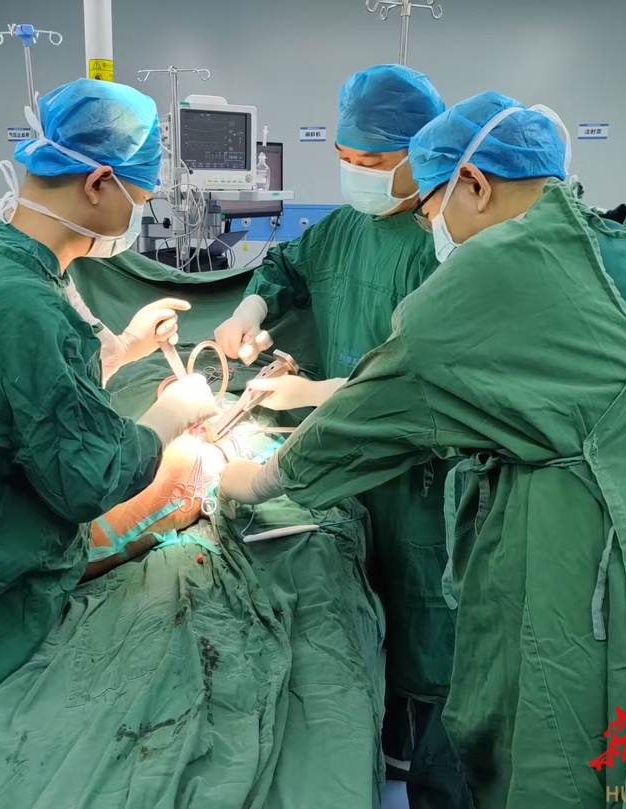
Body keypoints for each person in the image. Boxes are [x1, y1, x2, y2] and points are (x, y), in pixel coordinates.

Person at [218, 91, 626, 807]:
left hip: (606, 596)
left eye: (431, 209)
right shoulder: (614, 241)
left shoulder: (501, 270)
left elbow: (375, 410)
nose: (430, 226)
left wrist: (253, 480)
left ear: (473, 183)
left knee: (568, 773)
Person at [0, 79, 216, 809]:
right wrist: (172, 413)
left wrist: (121, 349)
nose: (138, 214)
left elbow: (7, 383)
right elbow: (90, 476)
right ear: (98, 184)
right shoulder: (23, 300)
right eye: (139, 196)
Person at [214, 64, 472, 808]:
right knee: (356, 594)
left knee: (426, 610)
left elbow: (434, 377)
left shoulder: (448, 244)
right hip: (347, 459)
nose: (356, 171)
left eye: (373, 160)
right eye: (345, 157)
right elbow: (288, 265)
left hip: (421, 472)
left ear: (421, 156)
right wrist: (252, 311)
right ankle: (376, 720)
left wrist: (315, 394)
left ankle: (425, 754)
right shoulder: (343, 228)